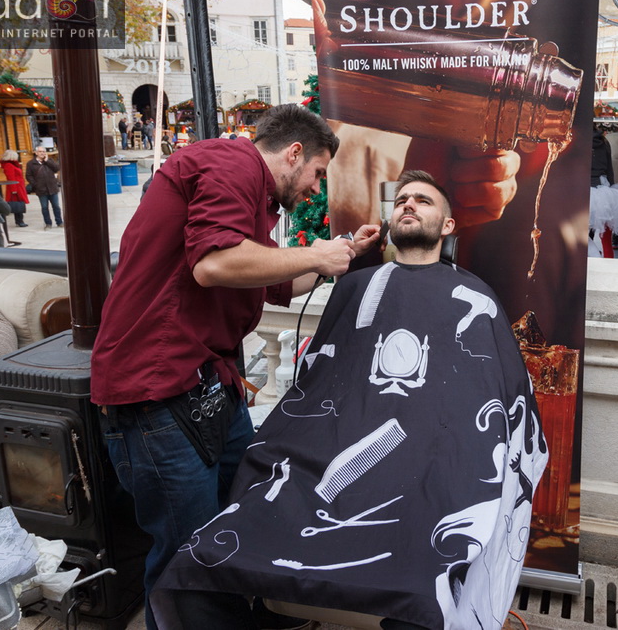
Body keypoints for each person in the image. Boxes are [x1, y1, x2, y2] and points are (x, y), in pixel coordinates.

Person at [150, 170, 546, 630]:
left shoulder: (475, 297)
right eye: (401, 200)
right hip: (325, 459)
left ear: (449, 226)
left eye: (423, 200)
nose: (409, 205)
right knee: (198, 567)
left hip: (433, 473)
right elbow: (316, 387)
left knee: (423, 581)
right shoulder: (356, 289)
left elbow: (505, 408)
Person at [90, 104, 381, 630]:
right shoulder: (231, 162)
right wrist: (315, 255)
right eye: (317, 173)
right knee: (189, 556)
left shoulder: (254, 198)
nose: (316, 190)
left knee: (238, 521)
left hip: (208, 387)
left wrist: (341, 254)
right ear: (293, 153)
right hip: (157, 394)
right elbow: (215, 264)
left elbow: (273, 283)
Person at [25, 146, 63, 230]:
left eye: (44, 151)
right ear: (36, 153)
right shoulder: (31, 163)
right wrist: (35, 185)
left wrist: (47, 161)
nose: (42, 153)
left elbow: (57, 168)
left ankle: (59, 222)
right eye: (40, 151)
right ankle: (48, 223)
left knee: (56, 206)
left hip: (52, 188)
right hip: (41, 189)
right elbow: (28, 176)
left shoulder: (49, 161)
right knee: (45, 208)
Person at [0, 149, 29, 227]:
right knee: (18, 204)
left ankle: (19, 220)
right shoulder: (9, 165)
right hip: (16, 187)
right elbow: (11, 178)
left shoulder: (11, 164)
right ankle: (19, 221)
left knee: (19, 204)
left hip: (18, 186)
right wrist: (14, 190)